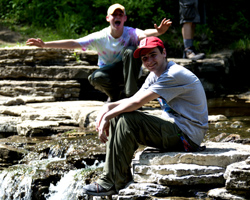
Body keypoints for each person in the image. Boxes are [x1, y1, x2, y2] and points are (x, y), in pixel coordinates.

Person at [82, 36, 208, 196]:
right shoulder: (155, 74)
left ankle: (112, 182)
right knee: (118, 116)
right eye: (144, 58)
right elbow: (132, 99)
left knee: (127, 119)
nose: (149, 61)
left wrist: (108, 115)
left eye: (153, 54)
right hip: (176, 130)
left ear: (164, 53)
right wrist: (107, 107)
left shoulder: (173, 74)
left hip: (187, 138)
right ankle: (115, 176)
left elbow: (138, 103)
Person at [26, 3, 172, 102]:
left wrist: (159, 31)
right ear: (108, 18)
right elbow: (74, 42)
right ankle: (115, 97)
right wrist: (45, 44)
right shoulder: (100, 37)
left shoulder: (131, 33)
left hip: (130, 73)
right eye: (114, 15)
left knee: (130, 51)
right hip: (110, 74)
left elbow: (145, 33)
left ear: (125, 18)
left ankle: (131, 97)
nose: (117, 17)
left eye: (121, 15)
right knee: (95, 78)